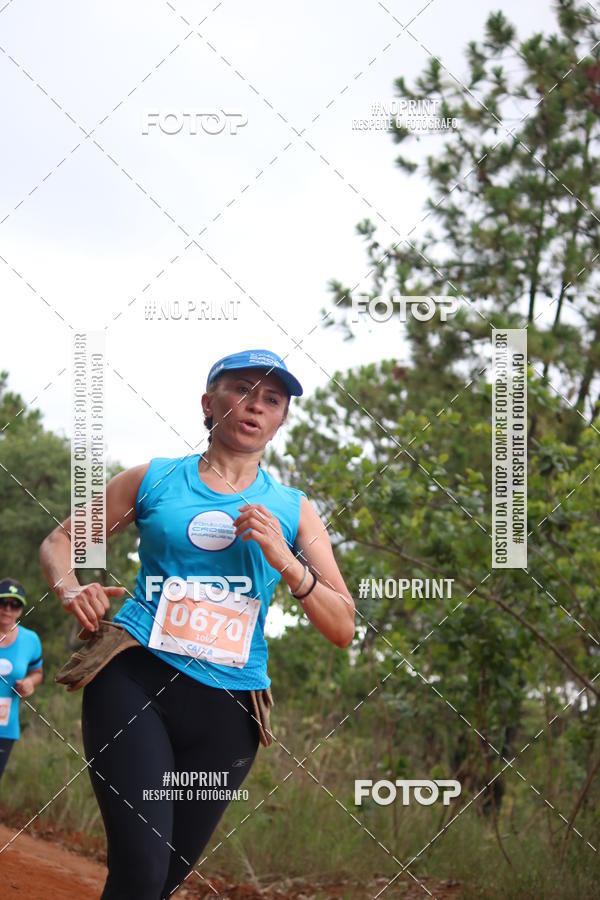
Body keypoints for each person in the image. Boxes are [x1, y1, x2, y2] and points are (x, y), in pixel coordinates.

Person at [40, 348, 355, 899]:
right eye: (241, 391)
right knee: (140, 868)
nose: (255, 406)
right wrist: (71, 587)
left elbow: (343, 624)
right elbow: (60, 541)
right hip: (135, 678)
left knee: (162, 880)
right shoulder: (155, 480)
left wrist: (286, 559)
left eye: (272, 399)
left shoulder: (294, 510)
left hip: (229, 710)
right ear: (209, 403)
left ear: (281, 419)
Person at [0, 578, 44, 779]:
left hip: (5, 727)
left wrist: (29, 683)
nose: (8, 609)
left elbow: (38, 673)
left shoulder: (31, 640)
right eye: (3, 602)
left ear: (21, 609)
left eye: (15, 604)